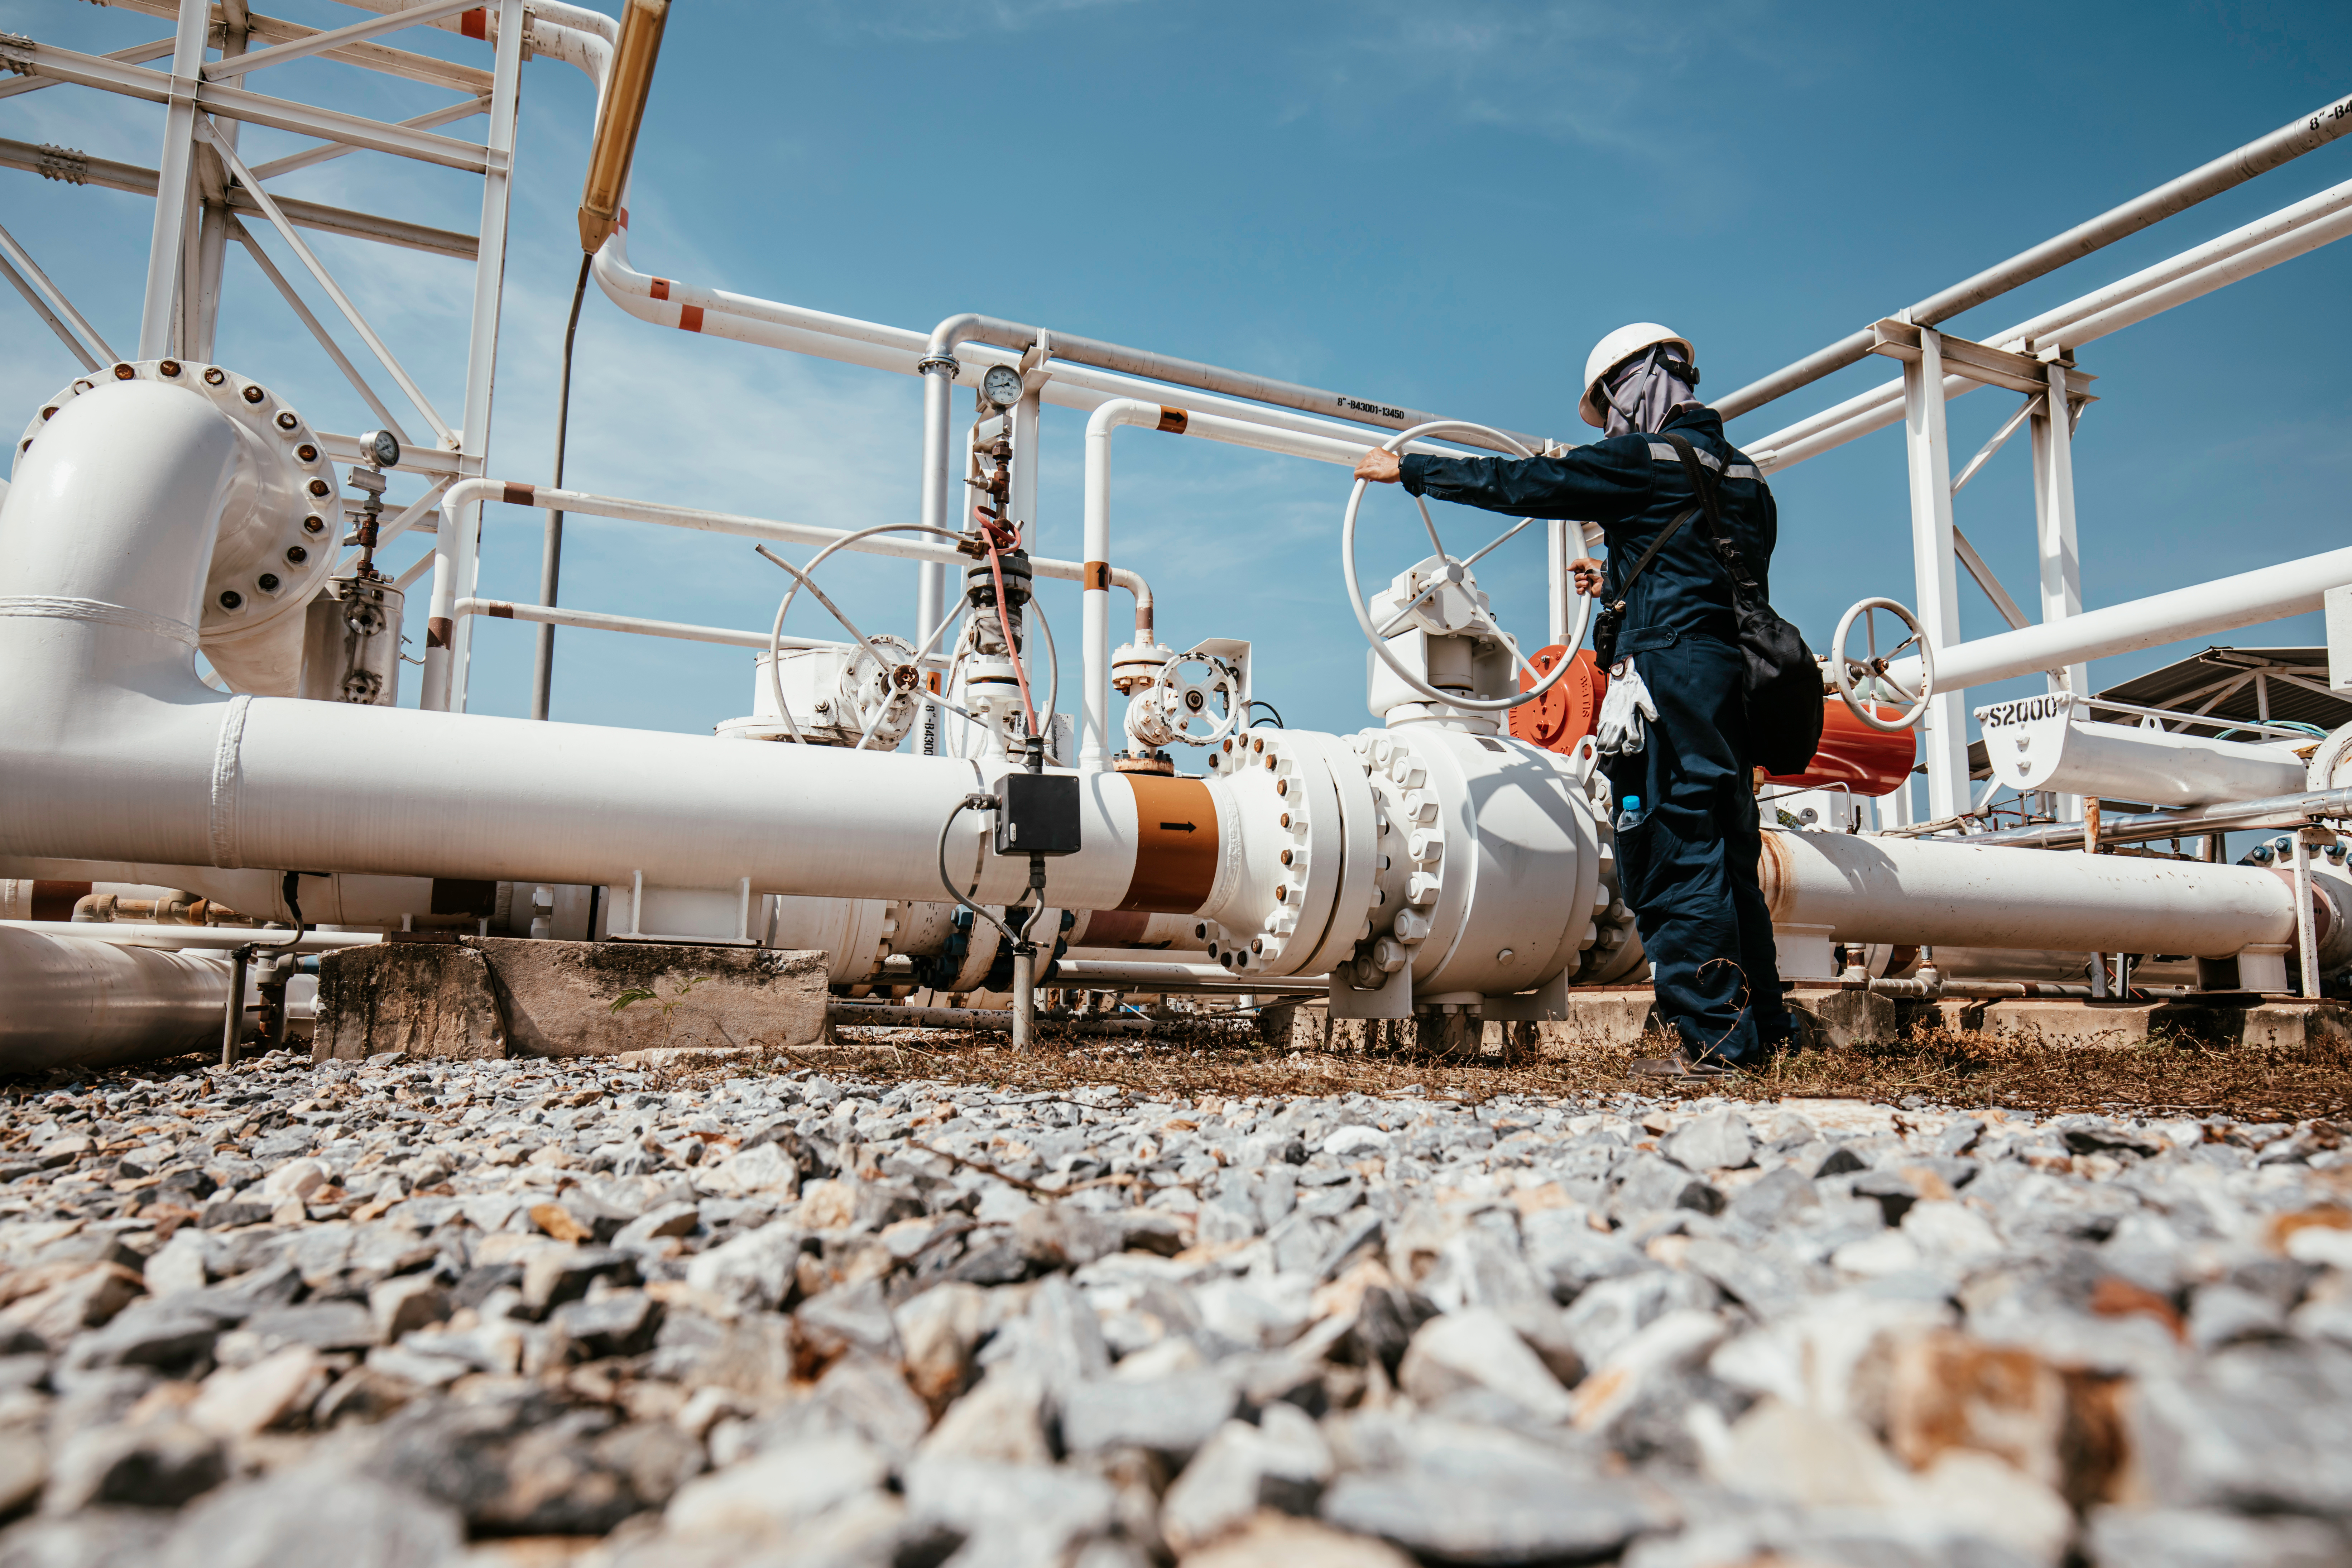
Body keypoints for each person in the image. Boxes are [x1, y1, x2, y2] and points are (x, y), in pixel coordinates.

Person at [1355, 323, 1792, 1075]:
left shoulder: (1642, 459)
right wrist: (1619, 581)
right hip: (1732, 682)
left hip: (1668, 677)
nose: (1614, 419)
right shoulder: (1748, 475)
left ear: (1632, 386)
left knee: (1672, 849)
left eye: (1611, 403)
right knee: (1728, 849)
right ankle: (1764, 1030)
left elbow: (1529, 485)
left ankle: (1713, 1044)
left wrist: (1413, 469)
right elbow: (1709, 570)